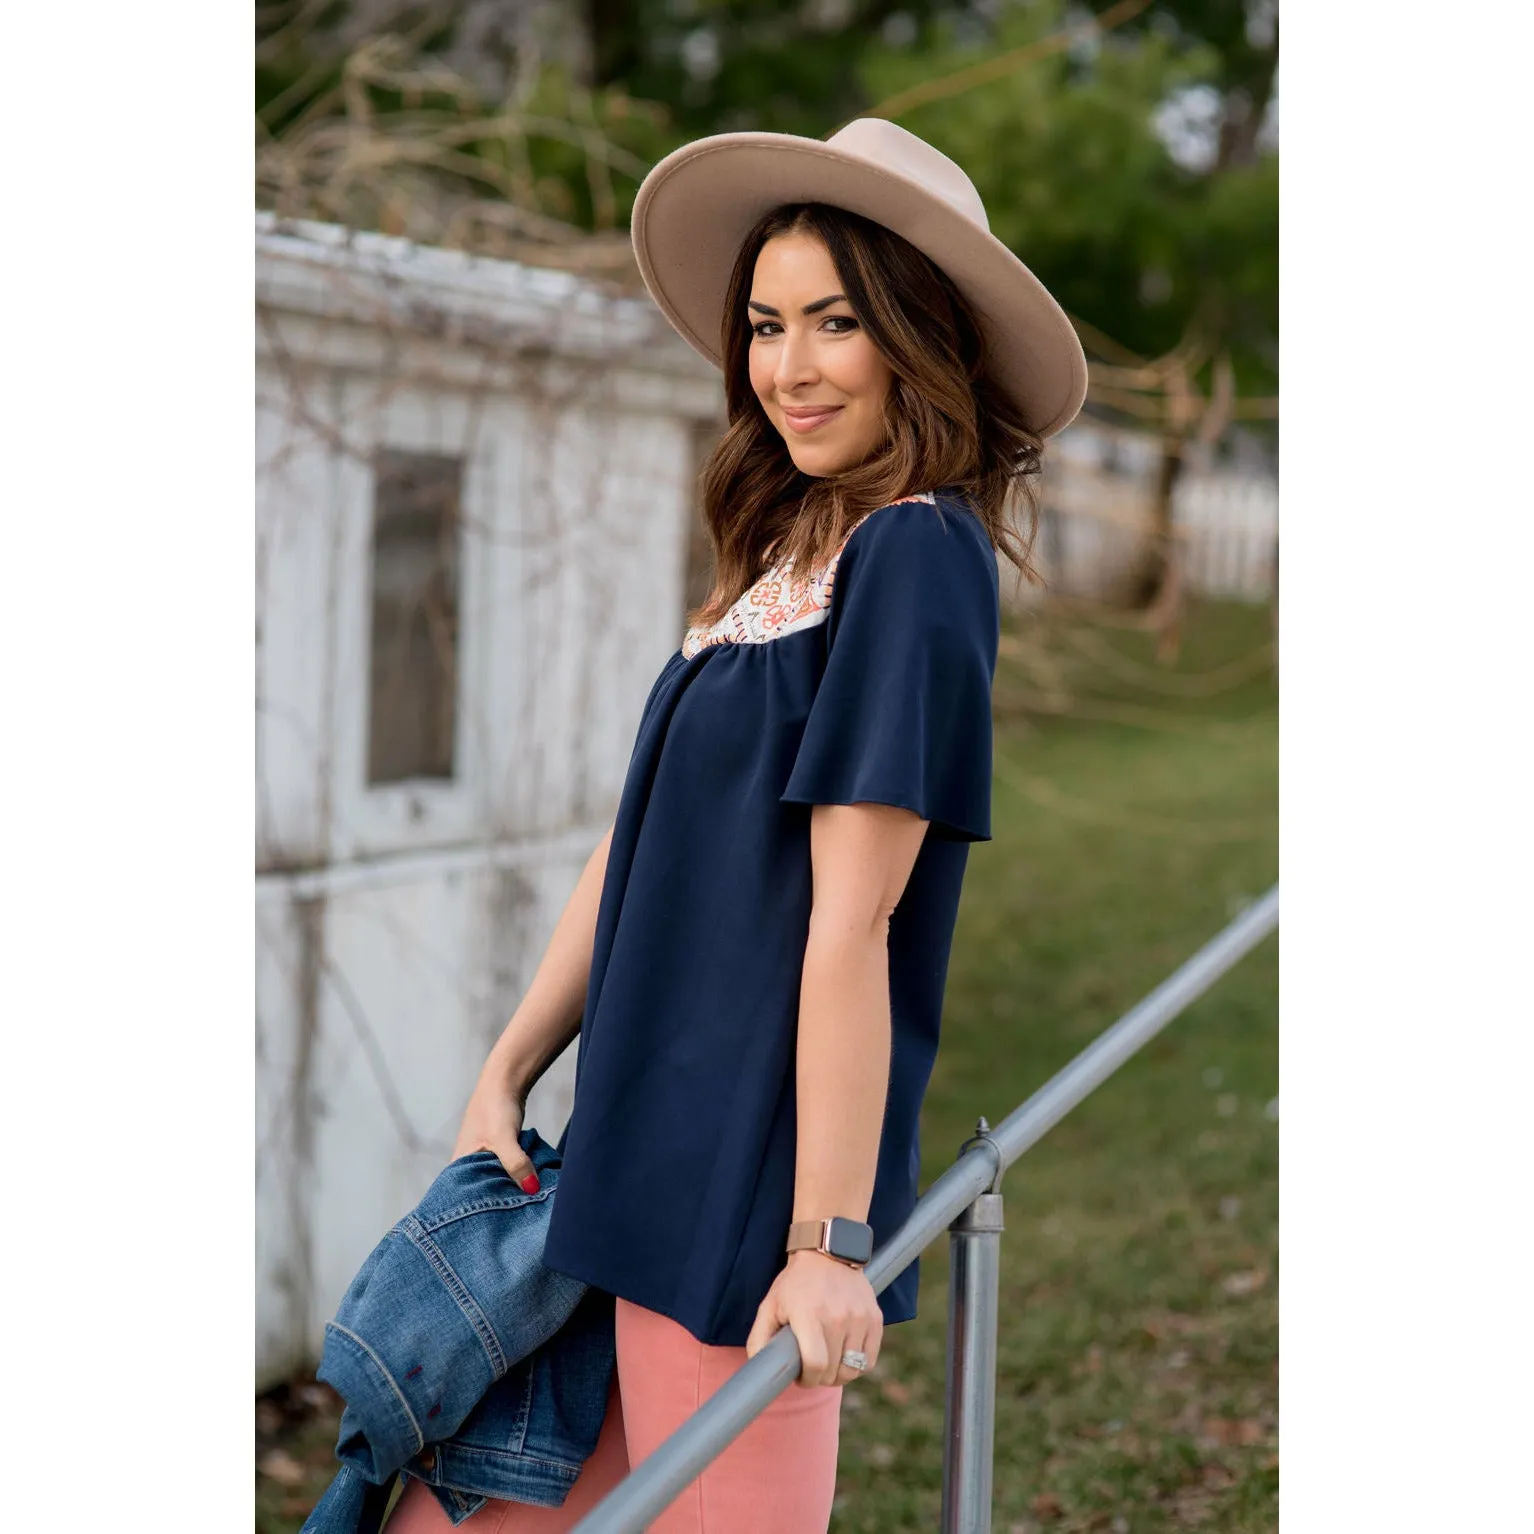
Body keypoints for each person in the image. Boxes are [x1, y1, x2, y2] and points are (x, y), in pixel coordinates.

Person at [384, 117, 1086, 1534]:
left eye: (835, 322)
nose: (787, 365)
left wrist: (825, 1243)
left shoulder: (916, 554)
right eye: (765, 324)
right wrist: (509, 1062)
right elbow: (634, 844)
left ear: (917, 333)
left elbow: (852, 921)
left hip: (738, 1191)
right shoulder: (789, 546)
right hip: (623, 1150)